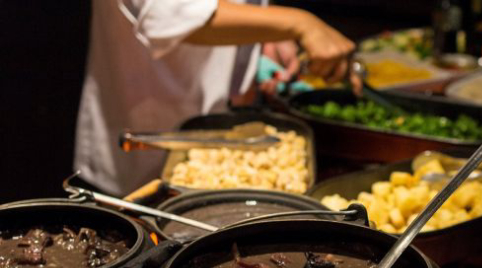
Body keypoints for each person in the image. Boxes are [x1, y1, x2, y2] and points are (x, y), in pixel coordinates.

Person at [75, 0, 357, 196]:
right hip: (143, 150)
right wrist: (297, 23)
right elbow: (165, 13)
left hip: (224, 136)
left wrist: (264, 33)